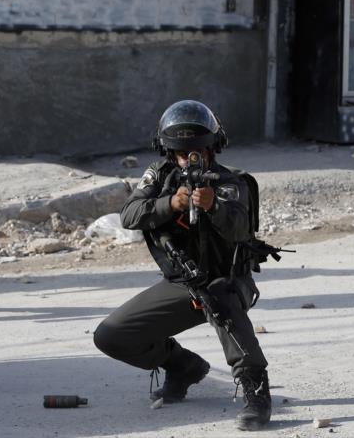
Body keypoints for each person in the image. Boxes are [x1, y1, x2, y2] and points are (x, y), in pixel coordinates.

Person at [94, 100, 273, 431]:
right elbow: (129, 215)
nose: (188, 159)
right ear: (168, 152)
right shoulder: (160, 177)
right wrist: (171, 203)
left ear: (211, 149)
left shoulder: (232, 182)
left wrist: (213, 206)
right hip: (182, 283)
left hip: (228, 281)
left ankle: (256, 391)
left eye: (196, 153)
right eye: (180, 153)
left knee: (218, 297)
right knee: (111, 336)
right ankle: (182, 365)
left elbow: (241, 229)